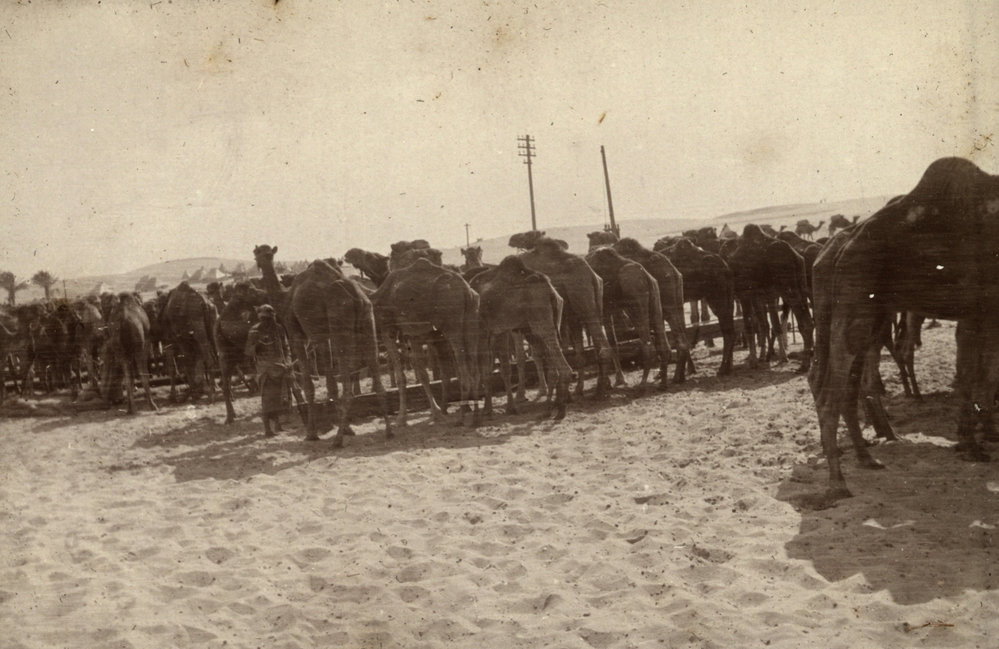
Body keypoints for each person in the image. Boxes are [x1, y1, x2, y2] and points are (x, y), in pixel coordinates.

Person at [243, 304, 292, 436]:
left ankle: (277, 425)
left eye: (269, 319)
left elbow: (286, 347)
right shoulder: (254, 331)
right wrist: (257, 344)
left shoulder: (279, 329)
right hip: (265, 370)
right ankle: (267, 429)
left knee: (278, 399)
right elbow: (248, 352)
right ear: (260, 318)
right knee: (267, 400)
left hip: (280, 368)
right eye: (264, 319)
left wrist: (287, 362)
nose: (267, 321)